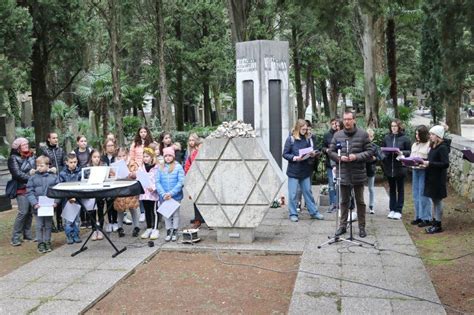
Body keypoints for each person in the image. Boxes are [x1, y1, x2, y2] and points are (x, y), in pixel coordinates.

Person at [329, 111, 374, 238]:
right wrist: (339, 158)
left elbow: (370, 151)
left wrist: (357, 156)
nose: (347, 122)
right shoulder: (337, 135)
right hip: (343, 172)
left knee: (360, 201)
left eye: (349, 119)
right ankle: (342, 226)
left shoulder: (363, 135)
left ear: (354, 120)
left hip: (358, 172)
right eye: (345, 119)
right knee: (344, 201)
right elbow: (330, 151)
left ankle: (361, 227)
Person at [282, 119, 324, 222]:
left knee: (308, 192)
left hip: (305, 170)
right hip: (294, 171)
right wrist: (295, 158)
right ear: (298, 128)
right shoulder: (290, 139)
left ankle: (314, 212)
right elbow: (285, 154)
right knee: (292, 194)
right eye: (303, 129)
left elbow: (313, 150)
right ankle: (293, 213)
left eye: (306, 129)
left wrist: (313, 153)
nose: (305, 131)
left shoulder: (308, 139)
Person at [26, 156, 58, 253]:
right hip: (38, 207)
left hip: (49, 207)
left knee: (48, 225)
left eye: (41, 165)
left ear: (48, 166)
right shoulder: (33, 178)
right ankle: (40, 243)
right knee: (39, 225)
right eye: (37, 165)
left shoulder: (54, 177)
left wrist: (56, 202)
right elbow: (29, 192)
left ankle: (47, 241)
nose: (39, 167)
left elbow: (58, 190)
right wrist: (34, 203)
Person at [8, 137, 36, 246]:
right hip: (21, 188)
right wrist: (31, 177)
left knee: (29, 212)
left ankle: (27, 234)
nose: (26, 146)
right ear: (18, 148)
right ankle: (15, 236)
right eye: (23, 145)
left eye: (27, 144)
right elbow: (17, 174)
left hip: (31, 188)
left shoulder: (31, 156)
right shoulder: (13, 158)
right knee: (23, 212)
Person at [422, 125, 450, 234]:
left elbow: (445, 164)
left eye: (432, 134)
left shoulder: (442, 147)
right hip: (431, 177)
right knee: (434, 200)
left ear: (438, 136)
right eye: (430, 134)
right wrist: (424, 163)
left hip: (438, 179)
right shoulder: (434, 146)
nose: (430, 136)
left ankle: (438, 224)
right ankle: (435, 222)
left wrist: (430, 163)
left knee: (438, 201)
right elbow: (431, 160)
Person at [381, 119, 411, 220]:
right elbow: (382, 150)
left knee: (400, 189)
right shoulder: (386, 138)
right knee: (392, 189)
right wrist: (384, 156)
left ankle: (398, 210)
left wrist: (401, 153)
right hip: (390, 167)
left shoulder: (405, 139)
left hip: (400, 167)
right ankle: (392, 209)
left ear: (399, 127)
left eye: (395, 126)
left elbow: (410, 152)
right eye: (392, 126)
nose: (393, 127)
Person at [156, 147, 185, 242]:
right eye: (166, 156)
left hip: (175, 196)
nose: (168, 158)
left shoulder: (178, 167)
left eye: (170, 155)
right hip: (164, 196)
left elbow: (180, 182)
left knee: (175, 214)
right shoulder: (160, 167)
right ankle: (168, 231)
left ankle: (175, 230)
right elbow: (157, 182)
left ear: (173, 156)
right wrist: (163, 193)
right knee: (166, 214)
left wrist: (171, 193)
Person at [39, 132, 65, 232]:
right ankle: (52, 224)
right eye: (53, 138)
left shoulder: (61, 150)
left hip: (59, 179)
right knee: (51, 201)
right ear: (49, 139)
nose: (56, 140)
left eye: (57, 138)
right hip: (50, 179)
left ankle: (60, 223)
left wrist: (59, 171)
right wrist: (50, 170)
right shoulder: (45, 151)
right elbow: (43, 164)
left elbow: (63, 163)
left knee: (59, 202)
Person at [113, 147, 141, 237]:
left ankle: (136, 226)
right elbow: (112, 175)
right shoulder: (115, 165)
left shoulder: (132, 163)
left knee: (132, 208)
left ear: (127, 155)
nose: (122, 158)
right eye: (119, 156)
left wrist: (132, 174)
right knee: (120, 209)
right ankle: (120, 227)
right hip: (120, 189)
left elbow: (137, 173)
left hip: (130, 189)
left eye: (124, 155)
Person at [410, 125, 432, 227]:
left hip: (424, 171)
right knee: (416, 194)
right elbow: (411, 157)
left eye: (418, 134)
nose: (417, 136)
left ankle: (426, 218)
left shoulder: (429, 145)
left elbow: (430, 160)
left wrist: (423, 162)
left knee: (424, 195)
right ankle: (418, 216)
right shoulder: (414, 144)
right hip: (415, 170)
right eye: (416, 134)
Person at [59, 153, 83, 244]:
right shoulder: (62, 174)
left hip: (77, 200)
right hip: (67, 201)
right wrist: (69, 197)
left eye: (75, 162)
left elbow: (82, 185)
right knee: (68, 220)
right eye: (71, 162)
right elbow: (61, 187)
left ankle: (76, 234)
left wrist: (76, 197)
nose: (73, 164)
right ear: (66, 162)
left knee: (77, 219)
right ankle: (69, 235)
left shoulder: (80, 172)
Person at [184, 133, 205, 229]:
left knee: (206, 200)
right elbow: (188, 167)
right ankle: (197, 219)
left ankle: (206, 219)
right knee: (196, 200)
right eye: (199, 147)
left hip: (205, 181)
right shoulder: (192, 155)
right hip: (195, 180)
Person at [139, 148, 160, 240]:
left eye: (147, 156)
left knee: (154, 211)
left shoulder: (156, 168)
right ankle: (148, 228)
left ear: (152, 157)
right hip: (144, 193)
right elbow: (139, 179)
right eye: (144, 157)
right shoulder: (141, 168)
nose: (145, 158)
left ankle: (155, 228)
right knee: (147, 211)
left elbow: (158, 180)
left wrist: (154, 187)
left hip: (153, 194)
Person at [85, 149, 105, 241]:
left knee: (100, 210)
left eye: (98, 157)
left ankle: (100, 228)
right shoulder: (87, 168)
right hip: (90, 192)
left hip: (100, 192)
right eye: (94, 157)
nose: (96, 159)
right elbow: (84, 179)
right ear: (91, 158)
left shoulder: (103, 166)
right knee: (92, 211)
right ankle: (94, 229)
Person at [322, 118, 340, 213]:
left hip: (340, 163)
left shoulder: (341, 134)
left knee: (339, 185)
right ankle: (332, 204)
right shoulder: (327, 135)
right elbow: (323, 147)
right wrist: (326, 150)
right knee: (331, 185)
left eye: (336, 124)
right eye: (332, 123)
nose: (334, 125)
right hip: (330, 164)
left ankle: (339, 204)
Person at [101, 139, 119, 232]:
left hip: (115, 182)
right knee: (107, 203)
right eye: (108, 146)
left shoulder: (116, 157)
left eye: (112, 145)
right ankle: (109, 222)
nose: (110, 147)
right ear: (105, 147)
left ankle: (115, 221)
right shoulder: (102, 158)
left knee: (114, 202)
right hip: (105, 182)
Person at [366, 128, 382, 214]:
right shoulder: (362, 146)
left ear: (373, 137)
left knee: (371, 188)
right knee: (358, 188)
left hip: (371, 169)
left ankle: (371, 205)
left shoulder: (375, 147)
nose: (369, 138)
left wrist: (375, 158)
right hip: (362, 169)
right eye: (368, 136)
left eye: (371, 136)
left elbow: (380, 157)